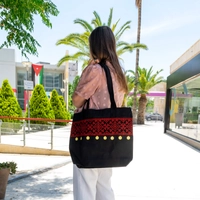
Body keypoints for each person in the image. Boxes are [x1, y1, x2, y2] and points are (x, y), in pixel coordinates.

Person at [72, 26, 128, 200]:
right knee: (104, 187)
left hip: (89, 137)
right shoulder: (118, 73)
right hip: (109, 139)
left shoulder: (95, 70)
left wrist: (86, 71)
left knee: (85, 187)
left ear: (94, 46)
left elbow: (77, 100)